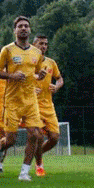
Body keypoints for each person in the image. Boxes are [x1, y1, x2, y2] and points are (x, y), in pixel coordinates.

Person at [0, 16, 47, 181]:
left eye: (26, 26)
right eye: (20, 26)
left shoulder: (36, 52)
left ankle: (24, 172)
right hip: (12, 100)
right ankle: (0, 150)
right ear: (14, 30)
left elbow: (35, 73)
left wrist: (40, 75)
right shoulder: (7, 50)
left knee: (35, 135)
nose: (23, 28)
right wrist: (12, 75)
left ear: (30, 30)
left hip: (30, 100)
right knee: (10, 140)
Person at [32, 35, 64, 177]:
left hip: (48, 105)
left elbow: (60, 78)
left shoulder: (51, 62)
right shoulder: (29, 62)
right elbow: (20, 80)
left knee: (55, 138)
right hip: (33, 105)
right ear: (34, 44)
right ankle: (39, 165)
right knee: (38, 136)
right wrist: (30, 89)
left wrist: (57, 86)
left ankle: (36, 154)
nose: (44, 46)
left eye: (46, 44)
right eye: (41, 43)